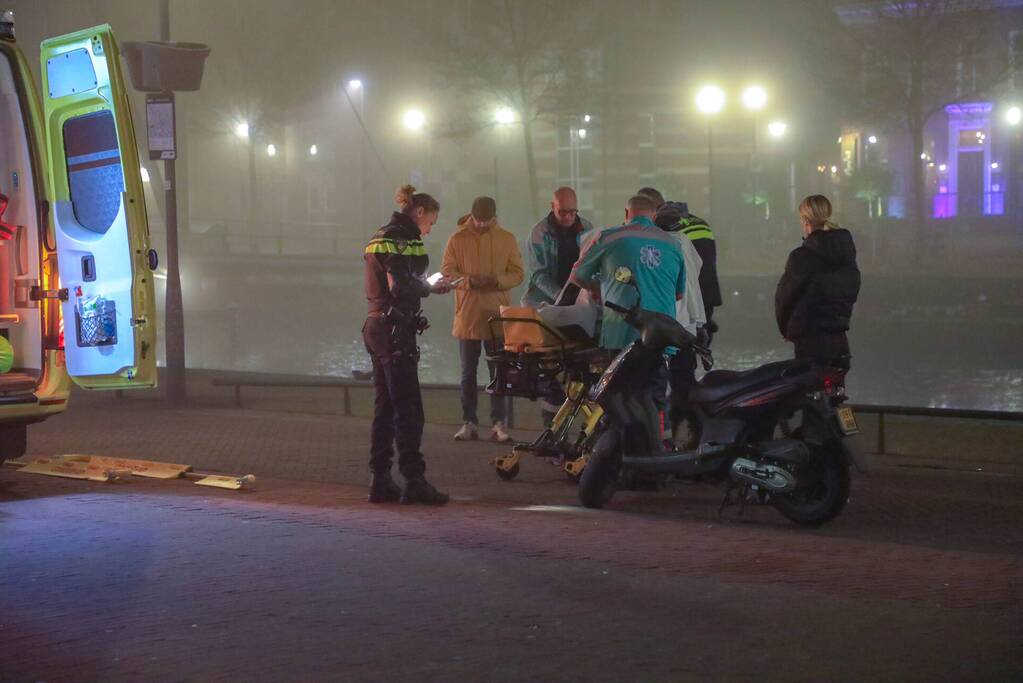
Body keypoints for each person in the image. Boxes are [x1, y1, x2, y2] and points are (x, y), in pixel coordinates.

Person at [568, 194, 687, 453]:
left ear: (626, 212)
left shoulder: (609, 237)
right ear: (654, 215)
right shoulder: (673, 244)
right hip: (660, 336)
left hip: (621, 333)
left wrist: (600, 288)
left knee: (618, 398)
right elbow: (679, 293)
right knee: (653, 397)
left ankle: (621, 458)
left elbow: (577, 275)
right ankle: (655, 455)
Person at [363, 184, 452, 505]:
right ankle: (414, 481)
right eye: (430, 222)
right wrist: (430, 287)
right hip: (395, 331)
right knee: (409, 409)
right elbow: (399, 285)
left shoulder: (379, 236)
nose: (429, 230)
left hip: (376, 327)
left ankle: (380, 479)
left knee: (385, 408)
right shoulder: (402, 239)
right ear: (419, 213)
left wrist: (422, 287)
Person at [441, 197, 524, 442]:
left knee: (498, 374)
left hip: (497, 318)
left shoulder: (506, 239)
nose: (481, 224)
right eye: (478, 220)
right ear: (472, 215)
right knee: (468, 373)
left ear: (493, 217)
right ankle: (469, 422)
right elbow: (447, 273)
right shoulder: (457, 240)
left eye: (486, 220)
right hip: (468, 317)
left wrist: (496, 280)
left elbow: (518, 274)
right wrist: (472, 281)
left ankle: (499, 423)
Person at [636, 187, 711, 438]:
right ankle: (694, 434)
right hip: (690, 322)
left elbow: (673, 288)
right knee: (683, 382)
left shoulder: (659, 242)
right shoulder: (687, 237)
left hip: (667, 325)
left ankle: (664, 440)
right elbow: (699, 274)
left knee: (657, 384)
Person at [522, 187, 595, 424]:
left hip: (577, 304)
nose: (568, 217)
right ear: (552, 207)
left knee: (581, 366)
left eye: (573, 211)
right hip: (546, 301)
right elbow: (538, 275)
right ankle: (551, 428)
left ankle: (583, 427)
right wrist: (564, 297)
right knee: (551, 368)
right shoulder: (538, 233)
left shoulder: (587, 229)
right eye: (563, 212)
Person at [775, 195, 860, 371]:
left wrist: (785, 330)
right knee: (835, 391)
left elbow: (785, 298)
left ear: (805, 220)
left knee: (809, 392)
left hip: (809, 342)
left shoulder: (801, 257)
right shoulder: (846, 255)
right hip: (839, 341)